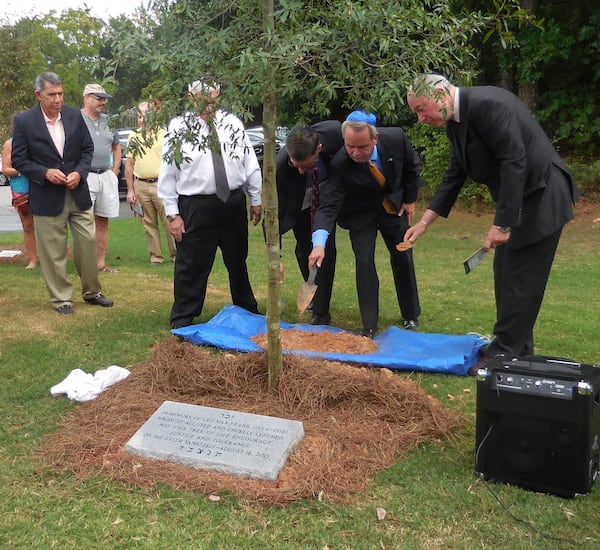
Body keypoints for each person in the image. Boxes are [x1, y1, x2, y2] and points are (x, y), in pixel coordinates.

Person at [405, 74, 579, 369]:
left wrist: (502, 223)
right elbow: (455, 173)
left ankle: (505, 352)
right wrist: (424, 222)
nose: (421, 119)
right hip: (525, 198)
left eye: (422, 109)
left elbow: (514, 160)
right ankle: (515, 349)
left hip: (543, 195)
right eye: (416, 113)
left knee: (518, 276)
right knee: (508, 272)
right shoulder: (456, 123)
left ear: (441, 96)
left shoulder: (487, 105)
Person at [158, 79, 262, 329]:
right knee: (192, 263)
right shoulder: (178, 128)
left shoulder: (233, 123)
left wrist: (256, 199)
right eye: (205, 100)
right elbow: (168, 174)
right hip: (196, 205)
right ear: (191, 99)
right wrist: (173, 214)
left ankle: (246, 309)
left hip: (233, 202)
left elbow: (249, 164)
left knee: (238, 259)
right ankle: (183, 316)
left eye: (214, 99)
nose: (210, 105)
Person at [308, 111, 422, 337]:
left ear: (375, 139)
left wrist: (410, 199)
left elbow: (412, 166)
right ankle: (369, 325)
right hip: (360, 214)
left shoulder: (396, 138)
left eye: (362, 147)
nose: (355, 153)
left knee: (403, 255)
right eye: (350, 146)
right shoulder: (340, 163)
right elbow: (328, 205)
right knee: (364, 262)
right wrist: (319, 243)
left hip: (392, 208)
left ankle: (411, 314)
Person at [11, 71, 113, 314]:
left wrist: (79, 172)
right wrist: (44, 172)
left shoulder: (74, 115)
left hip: (77, 191)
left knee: (87, 242)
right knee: (53, 250)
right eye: (51, 94)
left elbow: (87, 149)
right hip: (46, 195)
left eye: (61, 94)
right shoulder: (25, 122)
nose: (57, 99)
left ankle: (92, 292)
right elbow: (19, 159)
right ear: (38, 95)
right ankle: (61, 299)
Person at [276, 122, 343, 324]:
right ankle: (314, 294)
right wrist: (275, 254)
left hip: (328, 199)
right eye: (296, 165)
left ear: (319, 149)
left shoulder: (334, 134)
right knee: (304, 251)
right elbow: (275, 210)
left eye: (305, 165)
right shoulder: (281, 166)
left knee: (325, 252)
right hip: (301, 205)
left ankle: (321, 312)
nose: (300, 171)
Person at [125, 101, 176, 265]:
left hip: (161, 184)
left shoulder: (164, 134)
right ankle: (156, 256)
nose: (141, 119)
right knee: (148, 223)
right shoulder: (134, 136)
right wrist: (130, 190)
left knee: (170, 220)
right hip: (141, 184)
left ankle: (176, 255)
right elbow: (130, 164)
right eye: (139, 116)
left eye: (144, 116)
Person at [80, 83, 122, 272]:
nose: (103, 102)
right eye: (99, 98)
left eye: (104, 98)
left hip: (105, 175)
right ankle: (85, 263)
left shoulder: (109, 121)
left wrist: (114, 170)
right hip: (85, 176)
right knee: (84, 220)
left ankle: (100, 263)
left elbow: (116, 145)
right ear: (87, 98)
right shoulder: (76, 119)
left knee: (103, 220)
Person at [2, 113, 38, 269]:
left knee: (46, 225)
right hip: (21, 188)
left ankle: (49, 257)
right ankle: (33, 259)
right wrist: (23, 169)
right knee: (28, 225)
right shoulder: (10, 144)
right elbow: (5, 170)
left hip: (39, 186)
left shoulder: (38, 141)